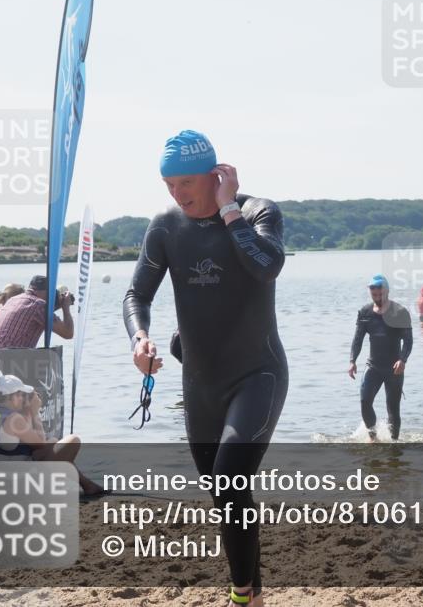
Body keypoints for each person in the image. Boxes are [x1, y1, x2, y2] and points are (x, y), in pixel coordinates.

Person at [123, 129, 288, 607]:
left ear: (217, 176)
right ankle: (254, 593)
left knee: (232, 477)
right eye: (169, 185)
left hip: (258, 373)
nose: (178, 195)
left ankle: (241, 597)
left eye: (187, 183)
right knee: (225, 493)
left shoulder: (259, 212)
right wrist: (139, 337)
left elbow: (266, 266)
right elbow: (137, 295)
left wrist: (230, 209)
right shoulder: (165, 226)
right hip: (200, 383)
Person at [0, 374, 104, 494]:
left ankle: (87, 485)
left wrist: (27, 413)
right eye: (20, 394)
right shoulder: (14, 419)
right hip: (12, 479)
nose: (22, 398)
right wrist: (35, 413)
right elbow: (40, 444)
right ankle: (80, 485)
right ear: (10, 397)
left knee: (54, 444)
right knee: (73, 441)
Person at [348, 275, 413, 441]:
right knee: (365, 401)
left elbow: (408, 340)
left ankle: (394, 443)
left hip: (394, 368)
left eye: (380, 294)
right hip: (373, 366)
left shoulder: (400, 312)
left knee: (393, 408)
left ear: (387, 291)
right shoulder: (365, 313)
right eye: (374, 295)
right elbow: (358, 339)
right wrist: (352, 361)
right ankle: (373, 438)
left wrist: (403, 360)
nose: (377, 297)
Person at [0, 275, 74, 348]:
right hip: (10, 360)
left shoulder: (13, 299)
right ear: (46, 292)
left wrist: (55, 306)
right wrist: (65, 307)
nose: (52, 297)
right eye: (51, 293)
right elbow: (68, 333)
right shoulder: (38, 305)